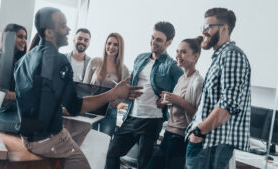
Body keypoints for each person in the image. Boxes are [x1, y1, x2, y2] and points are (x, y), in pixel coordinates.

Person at [14, 7, 142, 169]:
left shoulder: (25, 59)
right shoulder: (59, 61)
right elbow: (75, 107)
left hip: (27, 137)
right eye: (63, 25)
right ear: (50, 32)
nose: (68, 30)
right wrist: (114, 93)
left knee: (83, 129)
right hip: (48, 140)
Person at [106, 21, 184, 169]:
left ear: (169, 42)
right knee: (111, 153)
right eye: (153, 37)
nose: (153, 42)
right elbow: (131, 84)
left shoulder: (171, 66)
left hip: (151, 121)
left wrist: (167, 100)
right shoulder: (140, 58)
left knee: (143, 163)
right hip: (131, 117)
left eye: (159, 40)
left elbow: (183, 88)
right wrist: (126, 94)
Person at [185, 8, 251, 169]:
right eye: (203, 27)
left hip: (211, 144)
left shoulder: (232, 55)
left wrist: (199, 132)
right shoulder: (220, 57)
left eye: (208, 27)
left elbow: (228, 105)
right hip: (205, 143)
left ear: (224, 28)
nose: (203, 31)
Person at [145, 36, 204, 169]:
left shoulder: (198, 82)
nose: (178, 55)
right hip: (169, 134)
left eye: (183, 52)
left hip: (180, 139)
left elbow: (199, 116)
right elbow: (177, 105)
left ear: (195, 56)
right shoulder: (182, 78)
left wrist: (178, 100)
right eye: (177, 51)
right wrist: (165, 102)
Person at [83, 32, 129, 136]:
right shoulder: (94, 62)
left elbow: (124, 93)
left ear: (120, 47)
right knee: (88, 143)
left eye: (115, 44)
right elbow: (85, 86)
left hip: (110, 111)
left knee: (104, 145)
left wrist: (117, 101)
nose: (111, 47)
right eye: (109, 43)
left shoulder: (124, 70)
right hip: (91, 110)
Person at [0, 23, 27, 133]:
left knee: (43, 122)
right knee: (34, 127)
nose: (24, 40)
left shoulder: (18, 62)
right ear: (9, 37)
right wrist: (21, 95)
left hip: (12, 108)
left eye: (25, 37)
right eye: (20, 36)